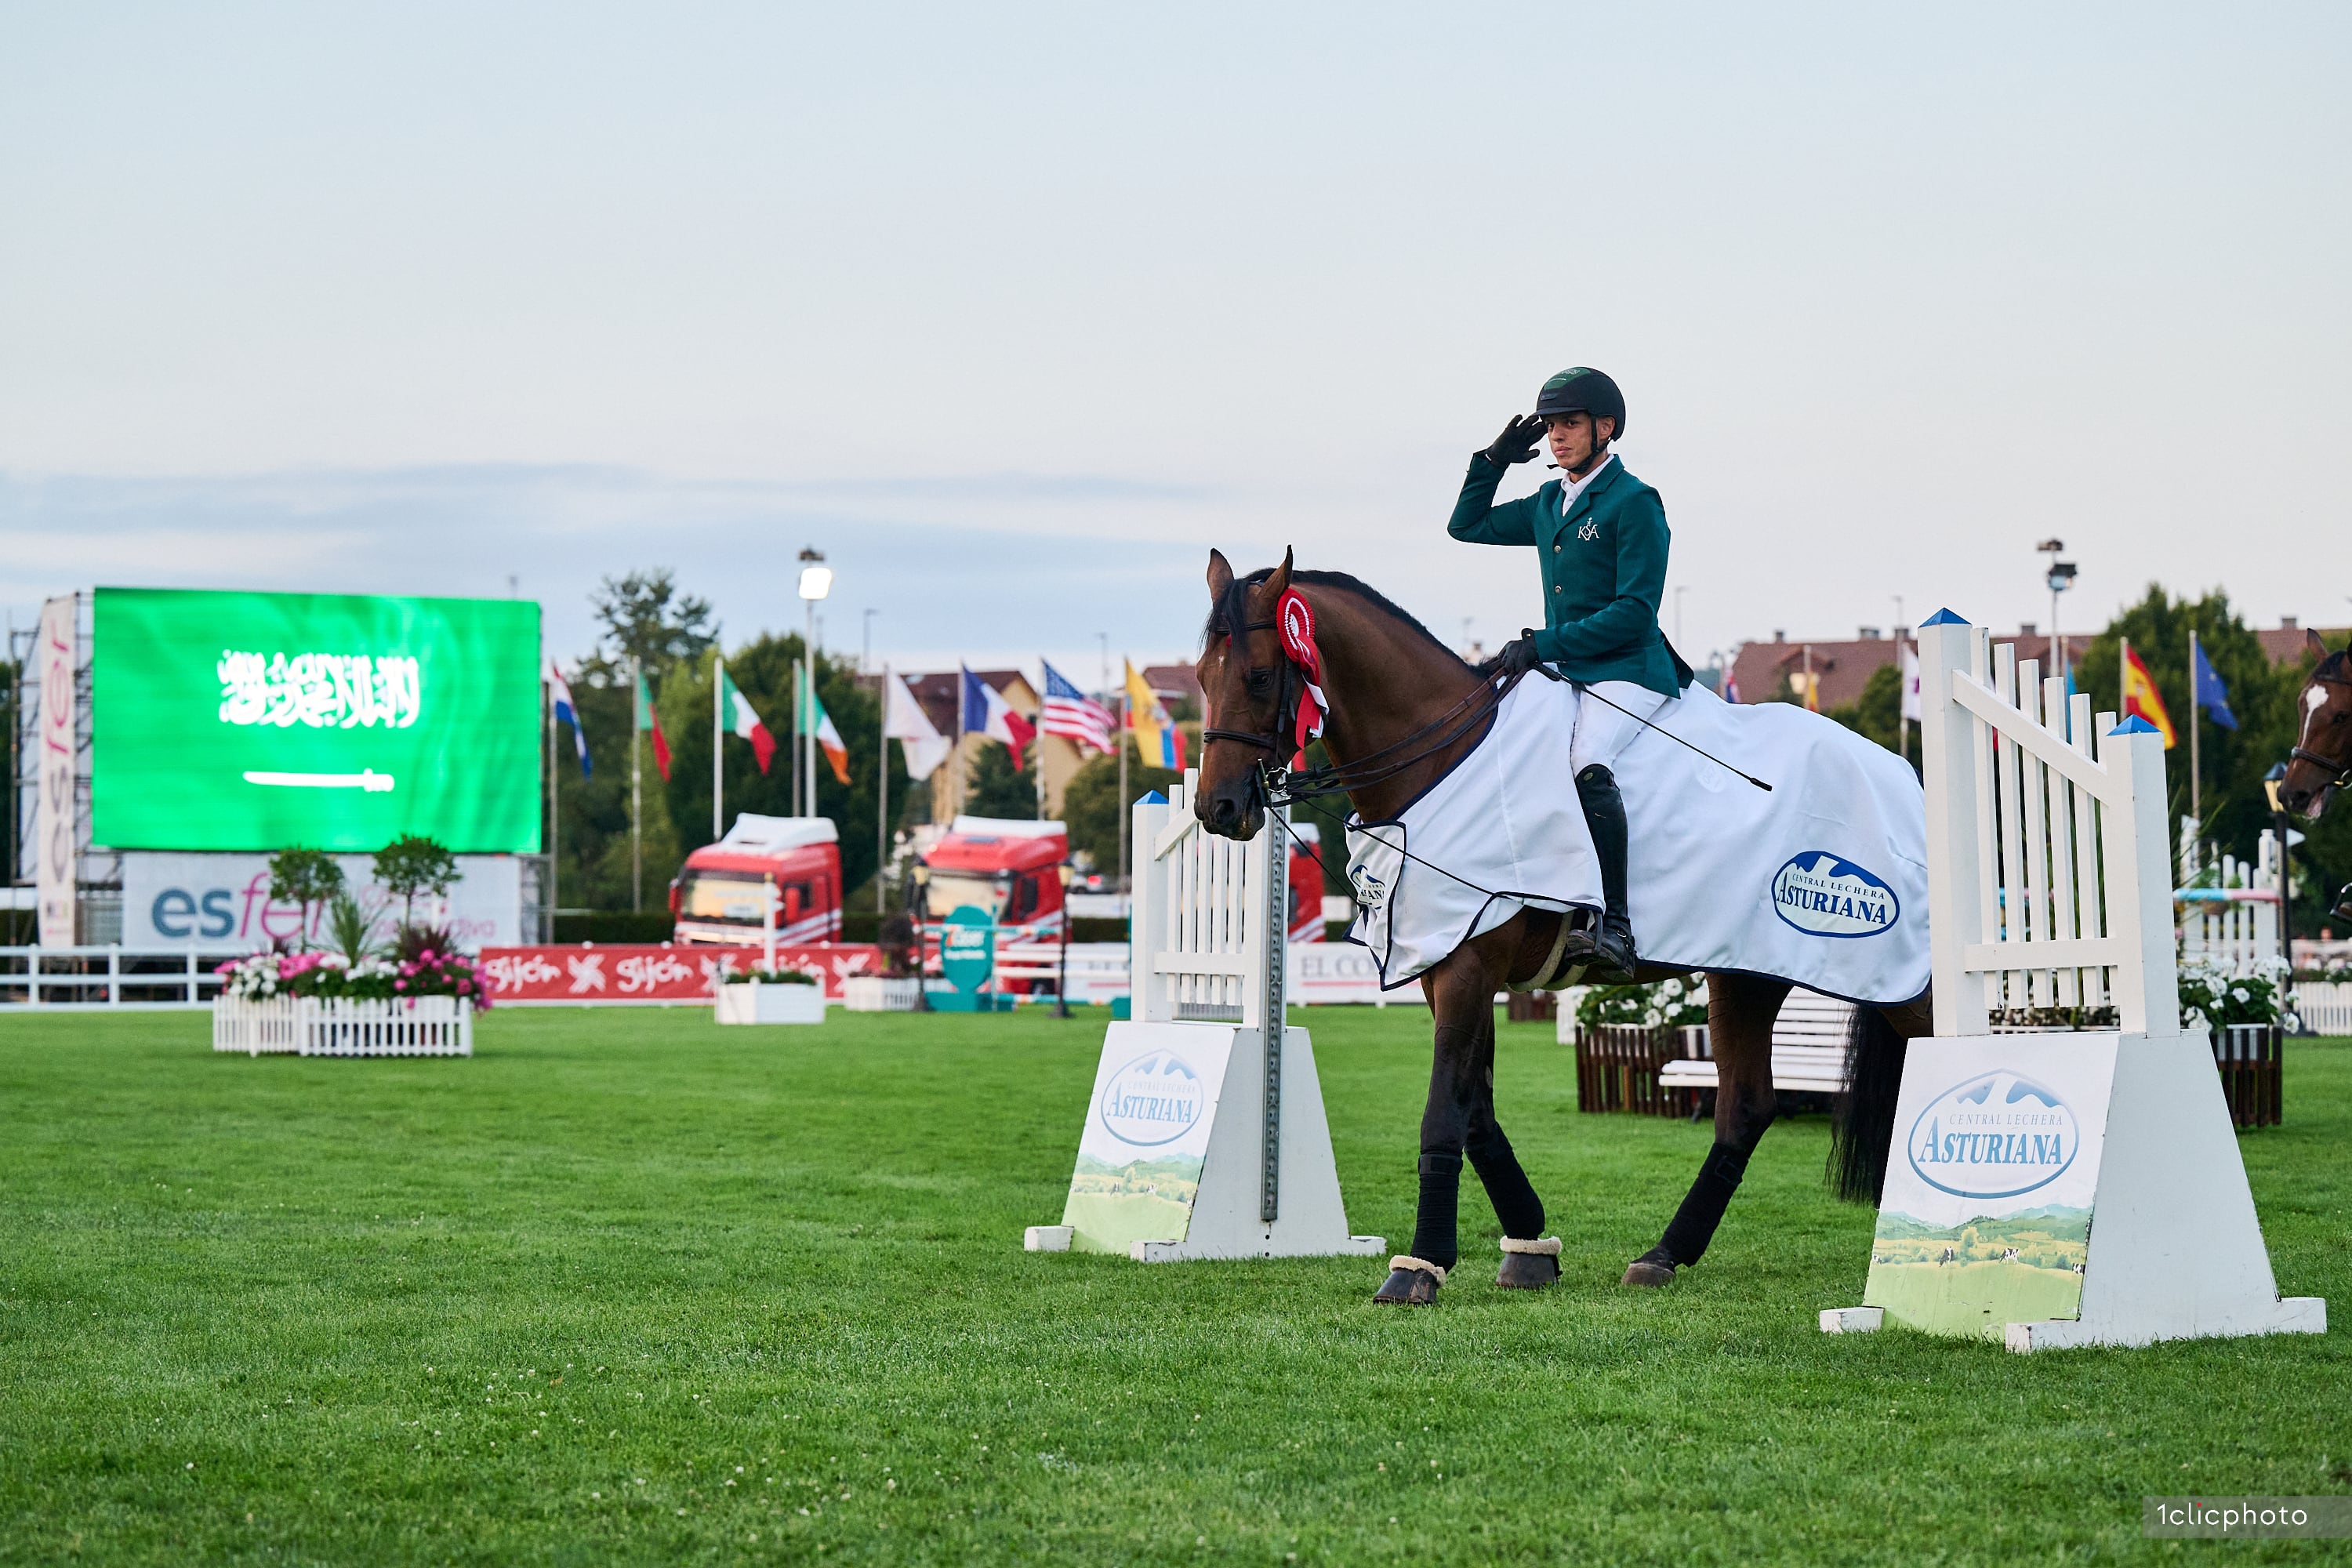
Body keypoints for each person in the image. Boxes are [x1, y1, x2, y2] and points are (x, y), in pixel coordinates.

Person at [1446, 366, 1689, 983]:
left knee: (1586, 762)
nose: (1557, 436)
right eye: (1551, 426)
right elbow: (1465, 525)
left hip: (1627, 668)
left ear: (1605, 427)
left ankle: (1615, 924)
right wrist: (1493, 460)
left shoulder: (1635, 502)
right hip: (1566, 669)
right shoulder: (1549, 503)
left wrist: (1546, 643)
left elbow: (1635, 612)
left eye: (1570, 424)